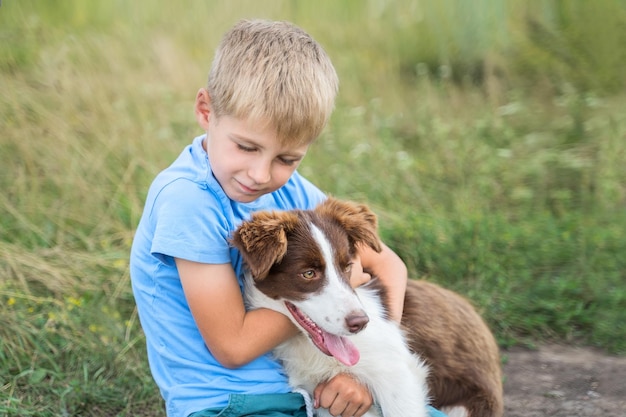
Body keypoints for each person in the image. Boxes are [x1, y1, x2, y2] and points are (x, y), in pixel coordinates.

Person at [130, 19, 446, 417]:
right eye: (246, 147)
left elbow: (386, 264)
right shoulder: (187, 200)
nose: (261, 175)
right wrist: (339, 290)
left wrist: (367, 365)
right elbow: (233, 346)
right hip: (231, 404)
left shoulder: (288, 191)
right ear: (206, 111)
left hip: (308, 393)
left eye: (286, 158)